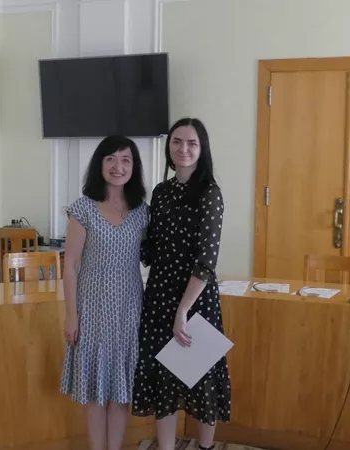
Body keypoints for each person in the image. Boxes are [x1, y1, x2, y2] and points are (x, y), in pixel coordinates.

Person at [132, 118, 231, 450]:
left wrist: (183, 310)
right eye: (177, 141)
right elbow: (150, 249)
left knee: (201, 377)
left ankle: (205, 447)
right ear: (168, 147)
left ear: (202, 149)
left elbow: (206, 262)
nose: (183, 148)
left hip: (195, 300)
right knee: (164, 379)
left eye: (191, 143)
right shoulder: (161, 192)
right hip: (159, 294)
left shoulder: (210, 194)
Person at [60, 135, 149, 450]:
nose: (118, 166)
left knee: (121, 392)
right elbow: (70, 266)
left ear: (134, 167)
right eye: (110, 158)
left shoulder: (142, 211)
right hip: (92, 310)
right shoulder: (83, 208)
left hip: (129, 310)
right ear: (100, 164)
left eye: (126, 159)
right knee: (96, 392)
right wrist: (71, 316)